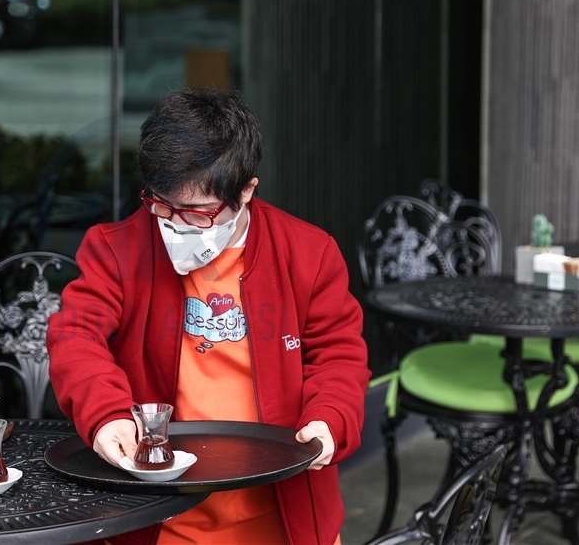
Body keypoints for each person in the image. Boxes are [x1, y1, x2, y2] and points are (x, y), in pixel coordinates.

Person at [47, 89, 369, 545]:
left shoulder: (308, 253)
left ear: (246, 190)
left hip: (283, 514)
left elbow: (338, 355)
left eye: (198, 213)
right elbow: (75, 336)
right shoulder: (114, 250)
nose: (176, 226)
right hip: (159, 517)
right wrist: (107, 415)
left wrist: (330, 418)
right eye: (162, 205)